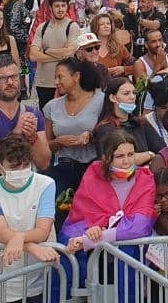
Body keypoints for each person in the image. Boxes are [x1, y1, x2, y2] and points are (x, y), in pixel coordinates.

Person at [61, 129, 157, 294]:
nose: (127, 161)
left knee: (128, 247)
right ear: (106, 158)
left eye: (131, 154)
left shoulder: (145, 177)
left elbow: (140, 227)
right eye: (119, 156)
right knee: (67, 242)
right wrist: (91, 231)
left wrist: (92, 239)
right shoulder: (93, 173)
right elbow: (78, 222)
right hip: (96, 256)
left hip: (128, 251)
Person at [0, 133, 59, 303]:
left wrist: (19, 237)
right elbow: (0, 232)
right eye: (14, 167)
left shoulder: (46, 184)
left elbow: (43, 231)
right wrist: (31, 247)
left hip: (35, 278)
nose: (21, 171)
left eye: (25, 165)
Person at [44, 58, 105, 232]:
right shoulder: (52, 107)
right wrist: (58, 142)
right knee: (60, 217)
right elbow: (46, 146)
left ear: (76, 76)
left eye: (60, 77)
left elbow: (110, 131)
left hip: (93, 167)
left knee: (92, 217)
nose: (56, 82)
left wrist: (92, 135)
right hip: (63, 168)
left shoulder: (101, 100)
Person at [0, 54, 51, 175]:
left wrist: (33, 137)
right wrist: (16, 133)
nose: (10, 82)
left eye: (14, 77)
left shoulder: (34, 113)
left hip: (28, 186)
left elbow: (44, 163)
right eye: (3, 78)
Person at [29, 0, 81, 109]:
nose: (60, 9)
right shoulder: (43, 27)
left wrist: (46, 50)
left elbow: (69, 54)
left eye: (63, 6)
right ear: (51, 7)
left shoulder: (72, 27)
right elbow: (33, 55)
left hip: (65, 82)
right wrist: (59, 53)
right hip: (44, 82)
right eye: (57, 6)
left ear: (67, 6)